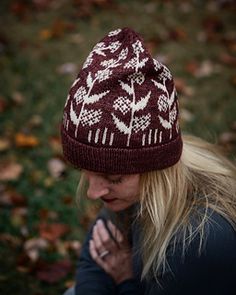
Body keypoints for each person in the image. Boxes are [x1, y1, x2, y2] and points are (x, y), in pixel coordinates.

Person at [61, 28, 236, 295]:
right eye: (86, 172)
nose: (92, 192)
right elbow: (97, 253)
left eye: (112, 178)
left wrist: (125, 281)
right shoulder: (132, 188)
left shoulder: (201, 243)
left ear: (157, 167)